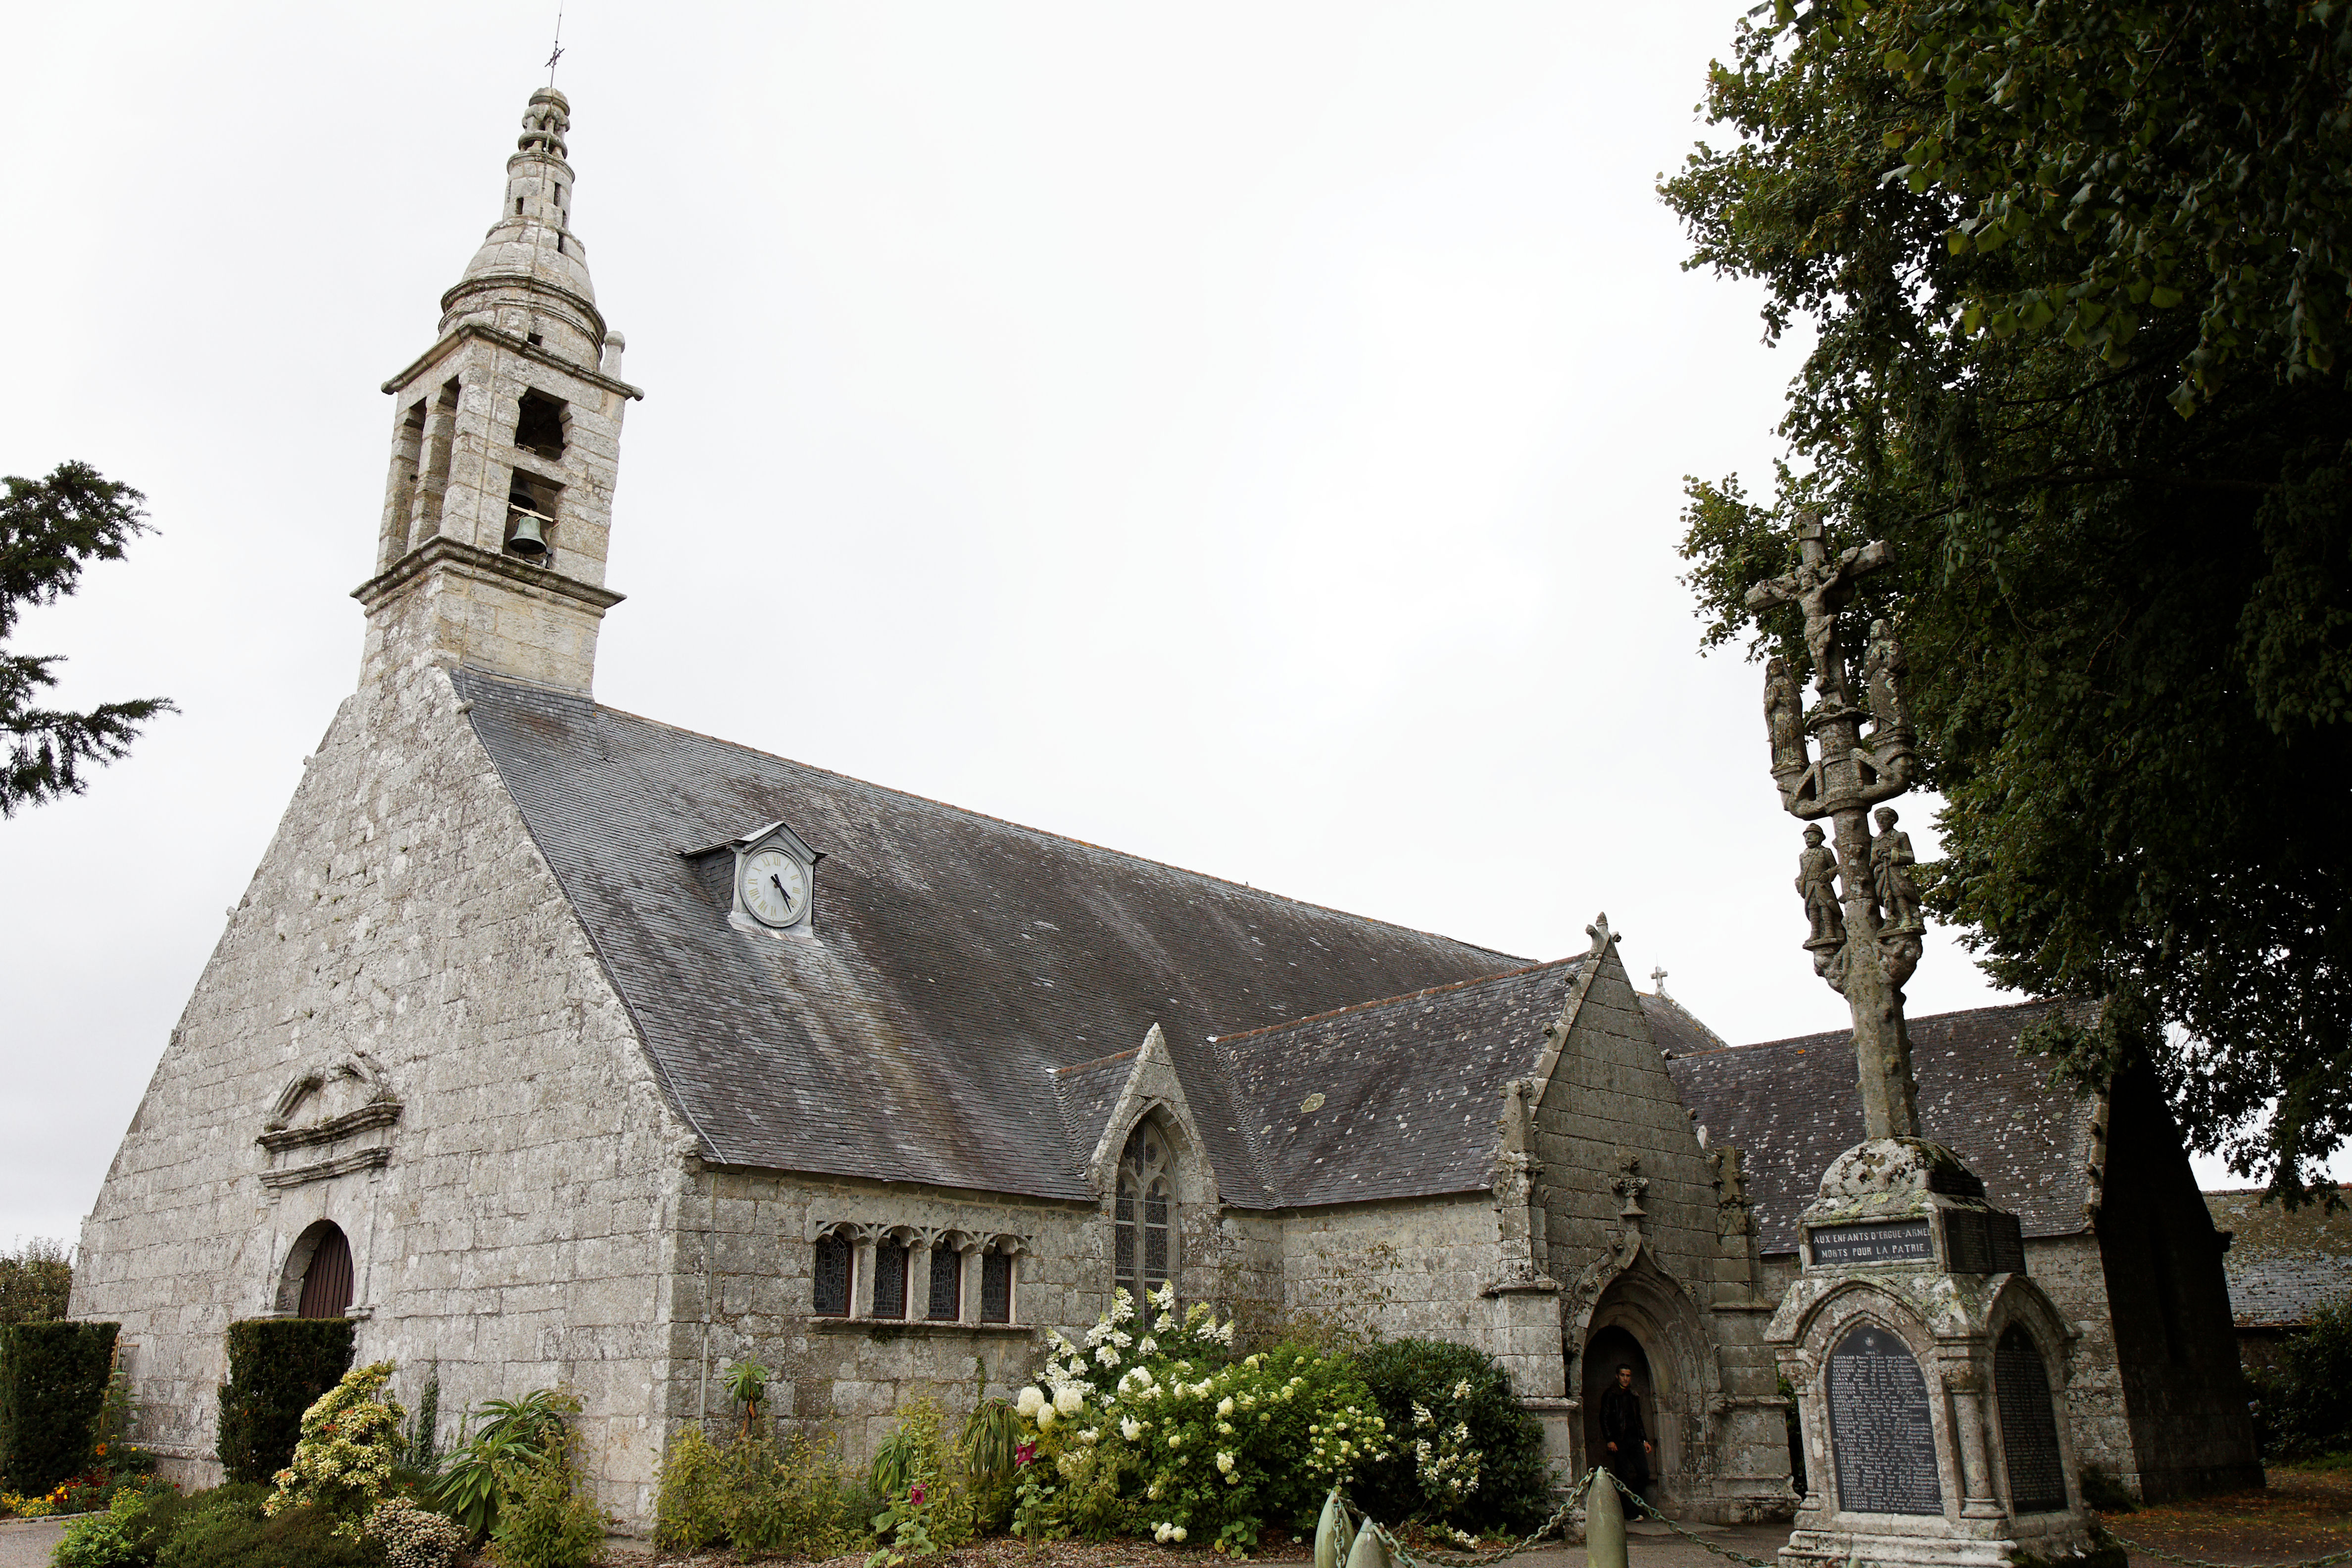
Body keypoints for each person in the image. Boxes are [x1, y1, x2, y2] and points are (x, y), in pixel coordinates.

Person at [1598, 1363, 1652, 1499]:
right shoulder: (1610, 1395)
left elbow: (1638, 1419)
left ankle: (1634, 1502)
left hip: (1634, 1439)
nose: (1625, 1379)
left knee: (1644, 1472)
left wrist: (1644, 1440)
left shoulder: (1633, 1395)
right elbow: (1604, 1418)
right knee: (1623, 1476)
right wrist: (1609, 1439)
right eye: (1623, 1375)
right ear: (1617, 1376)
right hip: (1619, 1440)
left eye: (1628, 1376)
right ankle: (1630, 1511)